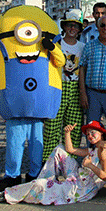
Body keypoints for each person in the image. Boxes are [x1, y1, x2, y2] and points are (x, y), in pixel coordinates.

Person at [0, 120, 106, 205]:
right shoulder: (93, 149)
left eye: (93, 132)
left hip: (83, 188)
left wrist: (89, 165)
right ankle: (43, 182)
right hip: (77, 177)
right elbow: (70, 150)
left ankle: (7, 195)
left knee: (40, 185)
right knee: (59, 149)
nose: (90, 136)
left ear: (101, 133)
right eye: (88, 134)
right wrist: (67, 133)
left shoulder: (104, 151)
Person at [42, 18, 85, 163]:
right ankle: (48, 162)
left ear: (79, 30)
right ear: (64, 27)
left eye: (75, 26)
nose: (72, 29)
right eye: (69, 25)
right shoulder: (57, 44)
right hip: (57, 87)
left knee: (73, 126)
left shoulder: (82, 47)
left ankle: (70, 162)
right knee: (52, 126)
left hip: (75, 89)